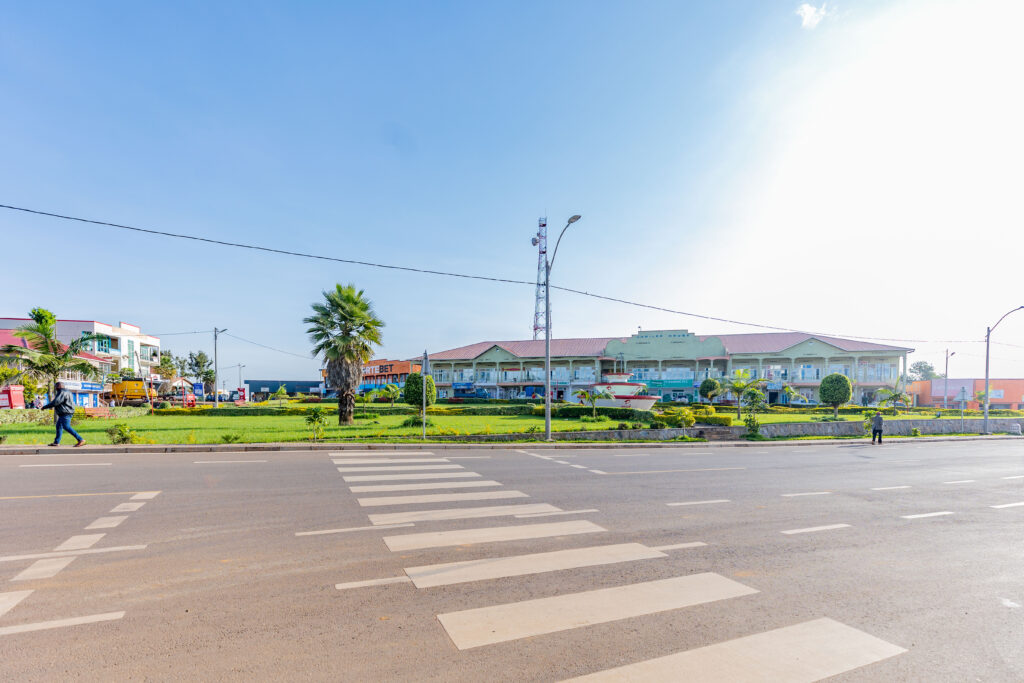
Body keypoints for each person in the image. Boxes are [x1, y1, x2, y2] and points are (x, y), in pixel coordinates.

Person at [41, 382, 86, 447]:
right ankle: (56, 442)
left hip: (65, 412)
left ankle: (80, 439)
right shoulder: (67, 391)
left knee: (66, 426)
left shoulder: (62, 392)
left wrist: (44, 407)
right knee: (59, 426)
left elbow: (56, 402)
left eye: (56, 386)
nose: (55, 388)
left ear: (58, 386)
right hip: (65, 412)